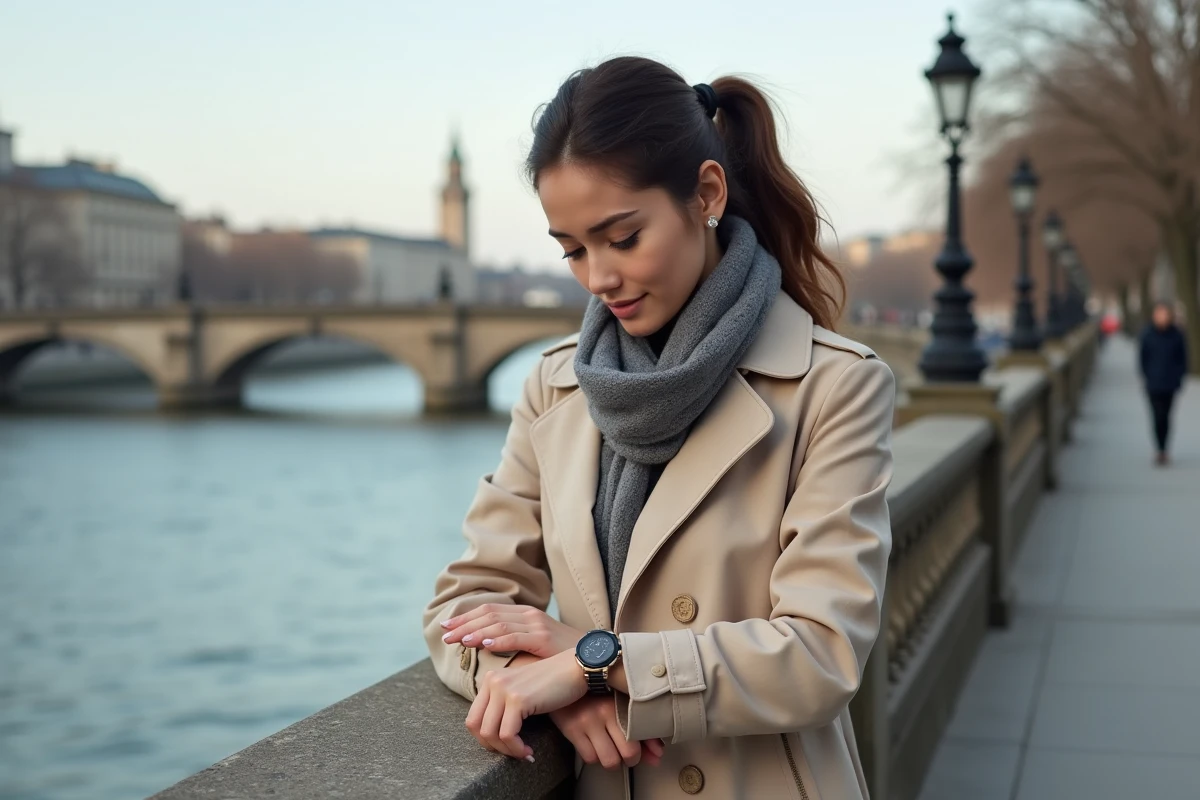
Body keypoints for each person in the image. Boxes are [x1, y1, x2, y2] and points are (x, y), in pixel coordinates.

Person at [423, 56, 895, 800]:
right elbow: (465, 602)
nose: (597, 278)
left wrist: (596, 662)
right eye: (573, 249)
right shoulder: (555, 386)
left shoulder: (833, 386)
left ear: (706, 194)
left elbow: (819, 654)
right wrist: (532, 677)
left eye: (622, 237)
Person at [1139, 301, 1189, 465]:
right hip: (1153, 383)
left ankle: (1164, 448)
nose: (1162, 317)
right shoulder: (1147, 334)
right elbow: (1143, 358)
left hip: (1170, 383)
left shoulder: (1177, 334)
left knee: (1166, 416)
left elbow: (1183, 358)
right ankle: (1159, 448)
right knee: (1157, 415)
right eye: (1159, 314)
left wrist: (1179, 376)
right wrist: (1146, 375)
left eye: (1165, 314)